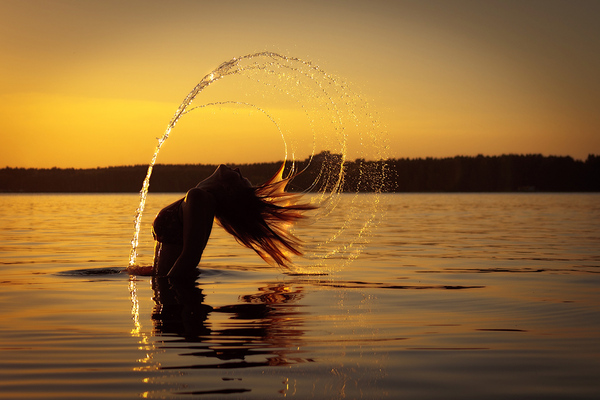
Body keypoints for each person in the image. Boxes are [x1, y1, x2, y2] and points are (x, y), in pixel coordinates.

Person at [152, 164, 314, 277]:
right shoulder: (200, 198)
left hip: (175, 296)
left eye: (240, 177)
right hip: (171, 291)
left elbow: (190, 257)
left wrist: (166, 286)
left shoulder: (199, 197)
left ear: (229, 190)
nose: (237, 169)